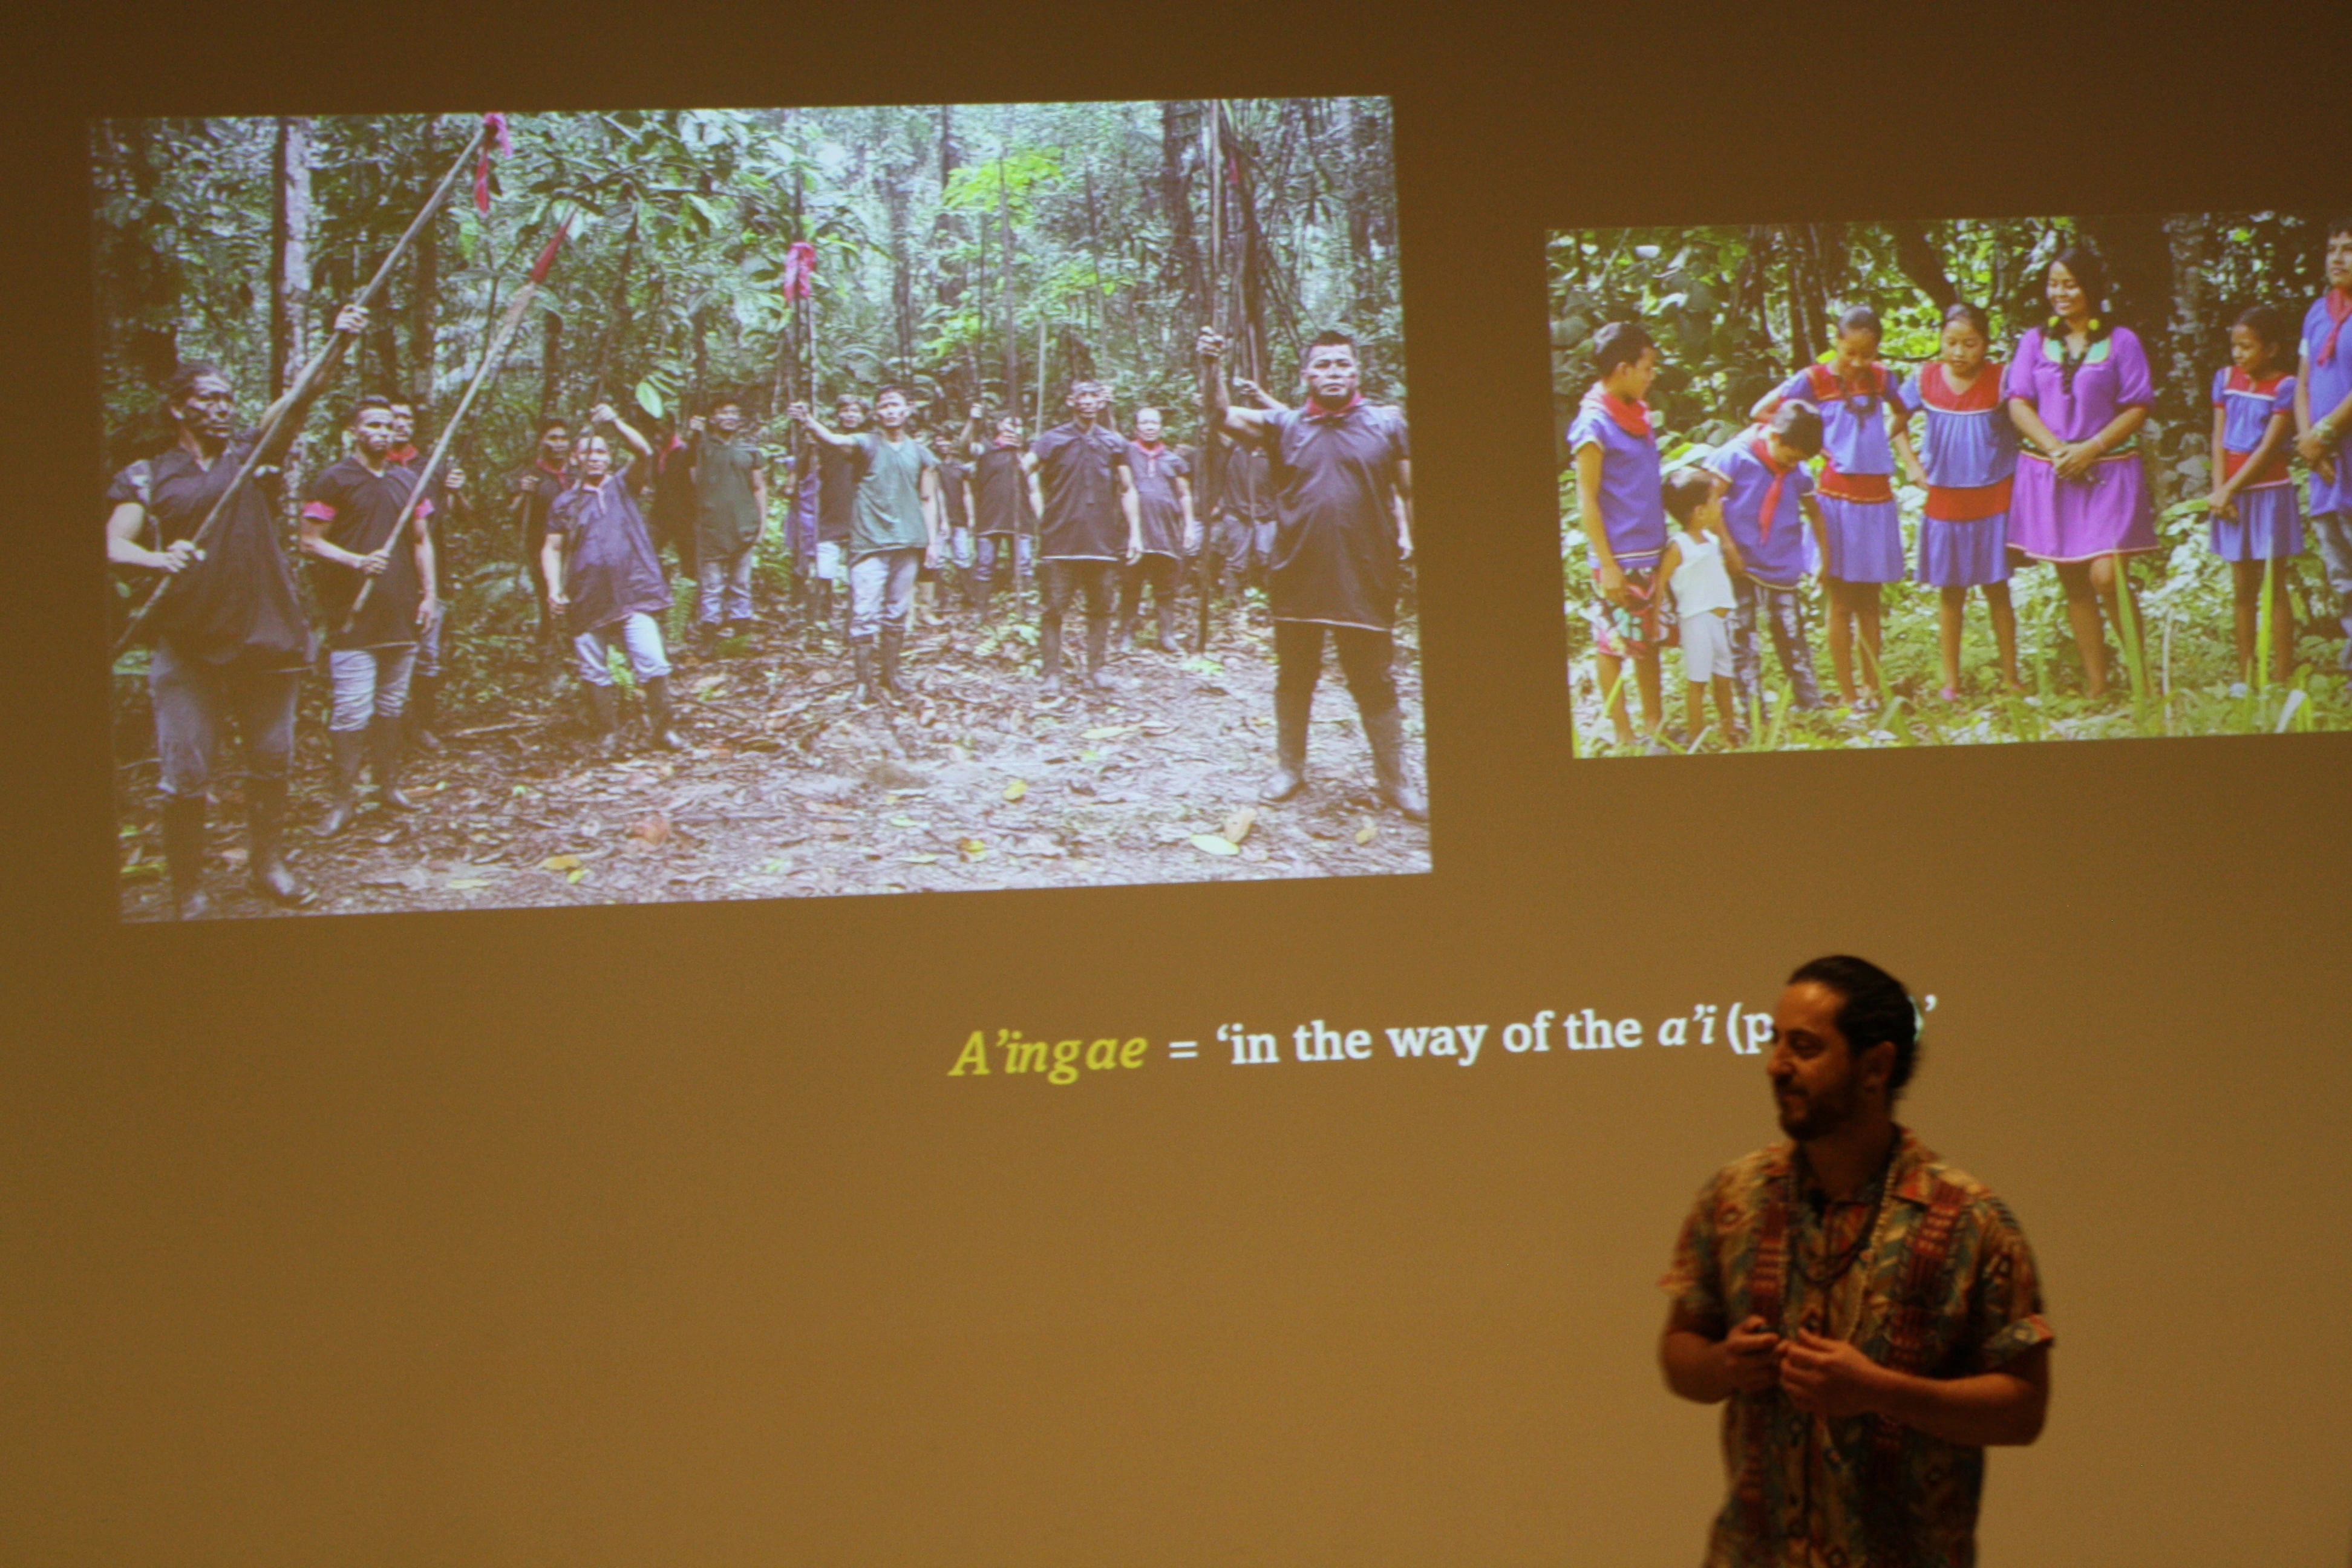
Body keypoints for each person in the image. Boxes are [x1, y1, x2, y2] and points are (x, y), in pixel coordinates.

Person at [1660, 955, 2053, 1568]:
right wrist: (1723, 1364)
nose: (1776, 1065)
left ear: (1876, 1068)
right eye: (1775, 1041)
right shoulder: (1732, 1199)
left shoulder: (1968, 1221)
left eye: (1805, 1047)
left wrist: (1881, 1392)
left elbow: (2024, 1408)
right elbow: (1679, 1353)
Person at [102, 302, 368, 918]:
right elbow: (113, 542)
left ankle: (267, 866)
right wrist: (154, 561)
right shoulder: (147, 475)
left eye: (228, 398)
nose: (222, 408)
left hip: (266, 636)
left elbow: (297, 402)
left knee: (271, 759)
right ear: (179, 408)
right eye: (208, 399)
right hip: (188, 642)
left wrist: (338, 342)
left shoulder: (250, 453)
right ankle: (189, 888)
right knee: (185, 772)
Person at [1198, 327, 1425, 819]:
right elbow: (1220, 415)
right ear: (1305, 375)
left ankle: (1396, 781)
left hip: (1366, 573)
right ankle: (1290, 769)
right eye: (1323, 365)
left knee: (1375, 679)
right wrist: (1212, 365)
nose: (1333, 373)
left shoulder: (1387, 423)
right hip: (1298, 573)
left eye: (1342, 364)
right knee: (1295, 675)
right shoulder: (1284, 424)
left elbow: (1409, 491)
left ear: (1357, 371)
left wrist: (1412, 540)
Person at [2004, 244, 2158, 699]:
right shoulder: (2034, 341)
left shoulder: (2122, 340)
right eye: (2054, 283)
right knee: (2073, 579)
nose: (2061, 292)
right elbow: (2018, 401)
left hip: (2107, 472)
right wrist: (2057, 451)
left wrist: (2090, 448)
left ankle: (2141, 678)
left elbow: (2138, 405)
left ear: (2091, 286)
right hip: (2055, 473)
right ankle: (2097, 685)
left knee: (2106, 575)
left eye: (2070, 283)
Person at [299, 394, 440, 837]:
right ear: (354, 432)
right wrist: (355, 561)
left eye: (389, 425)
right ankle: (343, 801)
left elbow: (421, 541)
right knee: (351, 711)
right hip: (352, 615)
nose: (382, 433)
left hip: (401, 612)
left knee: (391, 705)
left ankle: (388, 786)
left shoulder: (407, 480)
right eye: (373, 426)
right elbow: (309, 541)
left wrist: (429, 596)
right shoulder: (333, 479)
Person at [1755, 307, 1905, 710]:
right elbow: (1764, 411)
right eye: (1849, 352)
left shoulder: (1882, 378)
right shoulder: (1812, 380)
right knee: (1840, 602)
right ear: (1836, 342)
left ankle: (1873, 690)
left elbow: (1905, 408)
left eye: (1867, 353)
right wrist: (1817, 447)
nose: (1858, 362)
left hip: (1877, 500)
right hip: (1836, 500)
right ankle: (1849, 694)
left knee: (1870, 601)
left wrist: (1884, 440)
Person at [1895, 302, 2023, 700]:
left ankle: (2011, 677)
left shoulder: (2003, 380)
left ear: (1985, 344)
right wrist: (1913, 466)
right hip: (1945, 500)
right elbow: (1894, 423)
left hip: (1993, 497)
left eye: (1970, 343)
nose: (1959, 352)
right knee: (1951, 593)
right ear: (1940, 342)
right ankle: (1951, 682)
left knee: (1997, 589)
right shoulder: (1924, 378)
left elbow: (2028, 421)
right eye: (1951, 342)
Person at [541, 405, 685, 755]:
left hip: (632, 590)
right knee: (594, 668)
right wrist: (553, 589)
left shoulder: (624, 485)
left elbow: (644, 452)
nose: (595, 458)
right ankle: (608, 734)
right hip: (587, 596)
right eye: (588, 453)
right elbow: (552, 548)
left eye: (602, 452)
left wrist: (615, 421)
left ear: (609, 458)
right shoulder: (565, 502)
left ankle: (663, 730)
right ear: (575, 459)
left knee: (652, 659)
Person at [789, 386, 941, 702]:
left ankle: (891, 673)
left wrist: (932, 541)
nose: (889, 411)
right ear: (876, 413)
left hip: (908, 541)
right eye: (883, 406)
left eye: (895, 405)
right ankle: (862, 682)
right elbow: (836, 440)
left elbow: (928, 499)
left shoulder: (921, 452)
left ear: (907, 410)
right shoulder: (866, 443)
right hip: (870, 541)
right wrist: (809, 421)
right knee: (863, 611)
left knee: (897, 610)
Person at [1569, 321, 1670, 747]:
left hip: (1651, 552)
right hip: (1620, 559)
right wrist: (1607, 565)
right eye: (1647, 368)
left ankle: (1655, 725)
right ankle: (1624, 733)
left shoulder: (1637, 413)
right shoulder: (1594, 423)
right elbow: (1587, 499)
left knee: (1649, 642)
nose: (1652, 376)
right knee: (1613, 644)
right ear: (1624, 368)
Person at [1706, 401, 1830, 729]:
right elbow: (1710, 502)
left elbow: (1815, 512)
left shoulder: (1798, 472)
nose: (1794, 465)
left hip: (1781, 562)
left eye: (1800, 461)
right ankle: (1753, 715)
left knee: (1791, 635)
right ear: (1774, 436)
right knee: (1743, 639)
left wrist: (1824, 558)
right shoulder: (1735, 456)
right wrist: (1727, 547)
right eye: (1790, 457)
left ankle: (1812, 706)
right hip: (1741, 563)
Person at [2207, 305, 2302, 689]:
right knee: (2242, 587)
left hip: (2268, 494)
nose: (2239, 354)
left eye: (2247, 347)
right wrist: (2220, 491)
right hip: (2229, 500)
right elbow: (2218, 439)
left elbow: (2267, 448)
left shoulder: (2285, 386)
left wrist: (2230, 488)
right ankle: (2246, 673)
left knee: (2273, 584)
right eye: (2235, 346)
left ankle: (2282, 675)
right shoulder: (2224, 379)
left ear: (2272, 349)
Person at [1027, 378, 1142, 695]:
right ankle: (1051, 674)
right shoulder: (1051, 440)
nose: (1088, 402)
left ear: (1101, 402)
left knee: (1102, 608)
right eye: (1082, 396)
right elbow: (1023, 472)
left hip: (1102, 540)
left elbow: (1128, 487)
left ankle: (1097, 669)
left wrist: (1135, 534)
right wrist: (1040, 509)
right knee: (1053, 609)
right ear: (1070, 401)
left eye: (1094, 396)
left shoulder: (1115, 443)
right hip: (1060, 539)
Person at [385, 397, 468, 751]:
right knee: (389, 648)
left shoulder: (431, 465)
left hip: (429, 570)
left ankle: (423, 724)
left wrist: (454, 492)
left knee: (427, 651)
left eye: (407, 417)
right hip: (386, 572)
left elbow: (459, 516)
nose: (401, 423)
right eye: (394, 418)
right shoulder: (371, 467)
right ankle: (389, 727)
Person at [2293, 217, 2352, 670]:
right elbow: (2304, 381)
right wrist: (2308, 443)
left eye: (2348, 249)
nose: (2337, 258)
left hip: (2343, 449)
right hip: (2324, 463)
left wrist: (2326, 434)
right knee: (2341, 569)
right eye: (2332, 248)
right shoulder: (2317, 312)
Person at [1657, 467, 1740, 748]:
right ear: (1699, 512)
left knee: (1724, 678)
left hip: (1719, 620)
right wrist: (1656, 616)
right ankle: (1696, 735)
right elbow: (1660, 582)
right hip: (1696, 620)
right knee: (1698, 682)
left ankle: (1730, 729)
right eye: (1716, 500)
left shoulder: (1714, 541)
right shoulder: (1679, 546)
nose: (1722, 504)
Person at [687, 397, 769, 642]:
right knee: (712, 584)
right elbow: (693, 476)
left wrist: (762, 522)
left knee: (741, 582)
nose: (730, 417)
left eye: (734, 412)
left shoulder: (748, 448)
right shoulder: (701, 446)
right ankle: (710, 633)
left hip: (744, 524)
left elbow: (759, 487)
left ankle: (741, 632)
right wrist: (694, 436)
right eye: (724, 413)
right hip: (712, 526)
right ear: (712, 418)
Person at [1122, 405, 1195, 653]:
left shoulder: (1174, 460)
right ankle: (1126, 634)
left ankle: (1166, 635)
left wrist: (1189, 527)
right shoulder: (1127, 453)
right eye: (1145, 423)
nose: (1150, 427)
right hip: (1136, 532)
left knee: (1166, 588)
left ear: (1161, 428)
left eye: (1154, 423)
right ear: (1136, 427)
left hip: (1167, 533)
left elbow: (1184, 495)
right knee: (1131, 585)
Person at [965, 407, 1038, 615]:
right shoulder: (986, 448)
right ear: (999, 426)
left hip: (1020, 517)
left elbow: (1034, 488)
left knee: (1024, 564)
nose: (1014, 428)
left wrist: (1040, 517)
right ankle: (981, 612)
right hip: (990, 517)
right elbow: (965, 446)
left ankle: (1027, 611)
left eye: (1018, 425)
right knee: (985, 565)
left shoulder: (1026, 453)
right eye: (1009, 423)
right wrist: (973, 420)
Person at [510, 416, 573, 650]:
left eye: (563, 438)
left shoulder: (578, 472)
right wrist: (524, 495)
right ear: (542, 441)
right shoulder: (531, 474)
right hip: (542, 548)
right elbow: (513, 515)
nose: (558, 444)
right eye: (553, 438)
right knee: (549, 595)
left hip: (577, 545)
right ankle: (549, 645)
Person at [809, 394, 869, 632]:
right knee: (824, 573)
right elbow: (808, 471)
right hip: (830, 515)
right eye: (846, 410)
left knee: (859, 576)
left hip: (860, 518)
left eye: (856, 411)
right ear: (839, 414)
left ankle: (853, 623)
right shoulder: (825, 443)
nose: (851, 415)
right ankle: (821, 620)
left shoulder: (869, 443)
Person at [932, 431, 978, 609]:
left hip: (960, 519)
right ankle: (940, 600)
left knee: (963, 557)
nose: (943, 444)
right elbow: (937, 493)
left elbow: (967, 493)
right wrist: (943, 520)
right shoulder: (935, 466)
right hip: (938, 519)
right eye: (939, 440)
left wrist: (972, 517)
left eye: (947, 440)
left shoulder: (961, 467)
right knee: (938, 560)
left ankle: (971, 598)